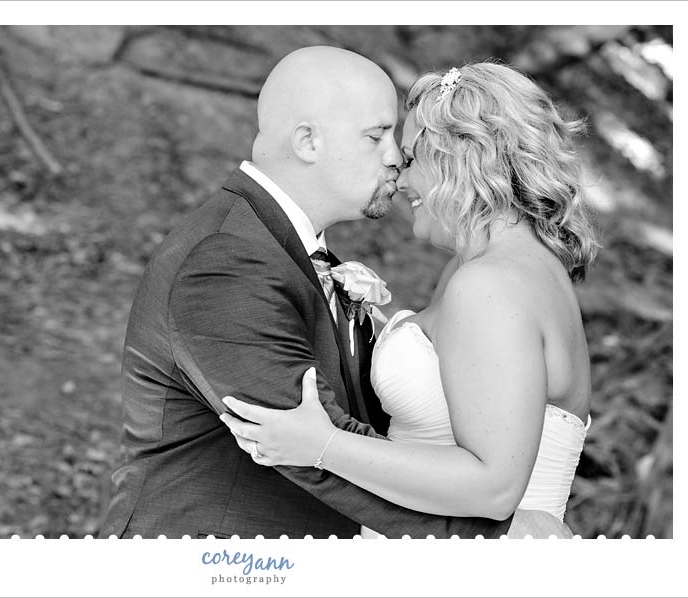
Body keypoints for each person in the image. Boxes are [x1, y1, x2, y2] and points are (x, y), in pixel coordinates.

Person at [100, 48, 511, 539]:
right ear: (308, 141)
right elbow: (311, 448)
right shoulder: (225, 261)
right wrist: (494, 538)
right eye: (376, 134)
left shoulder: (289, 253)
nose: (396, 155)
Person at [219, 62, 599, 538]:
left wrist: (322, 444)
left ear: (461, 158)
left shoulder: (489, 284)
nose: (399, 175)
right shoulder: (508, 268)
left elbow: (494, 488)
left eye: (414, 156)